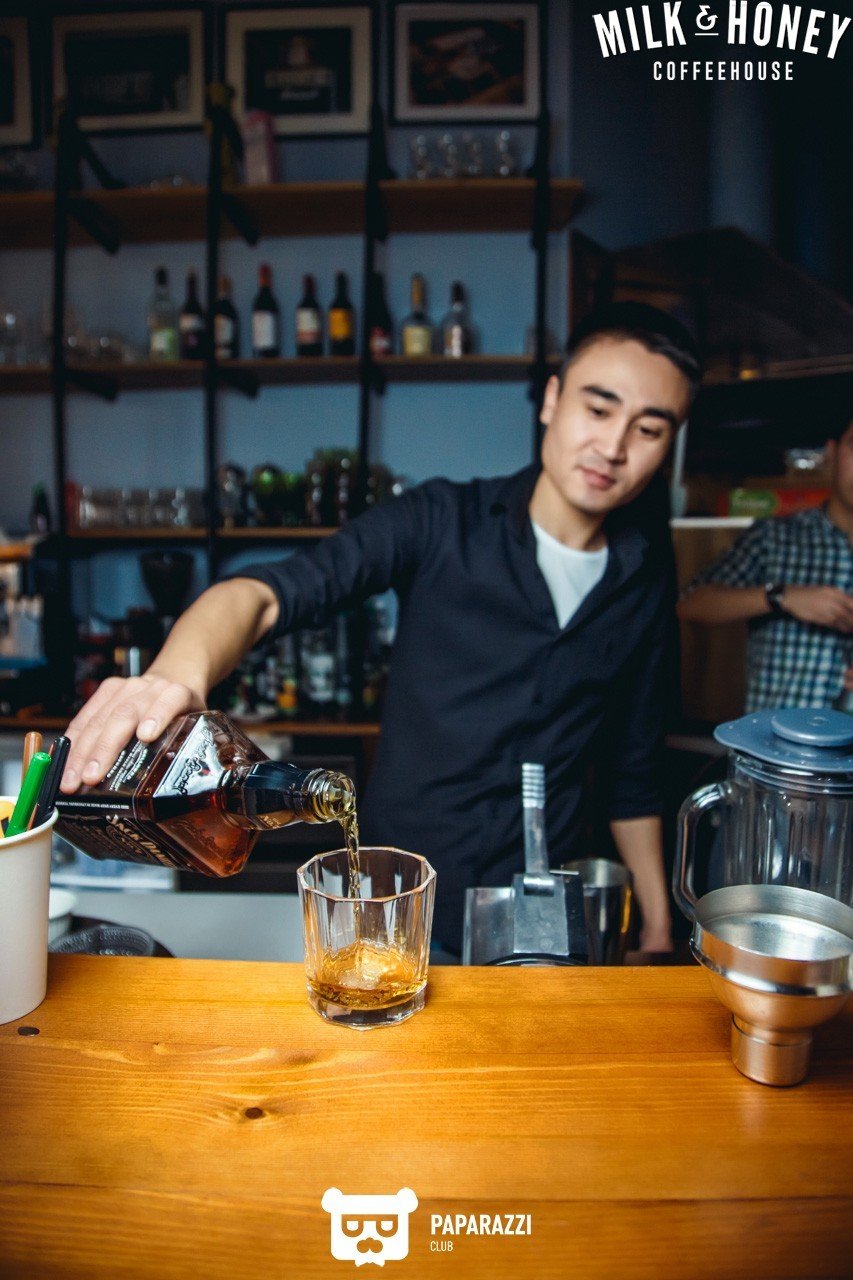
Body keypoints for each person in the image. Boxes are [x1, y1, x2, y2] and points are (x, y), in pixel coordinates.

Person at [60, 302, 700, 955]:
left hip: (544, 916)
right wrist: (173, 676)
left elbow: (633, 767)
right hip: (403, 902)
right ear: (553, 400)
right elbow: (267, 596)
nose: (613, 448)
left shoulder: (643, 574)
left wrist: (657, 923)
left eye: (648, 429)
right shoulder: (439, 521)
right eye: (598, 410)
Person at [678, 416, 853, 711]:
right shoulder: (774, 536)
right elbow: (691, 603)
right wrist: (781, 596)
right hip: (771, 735)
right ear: (832, 453)